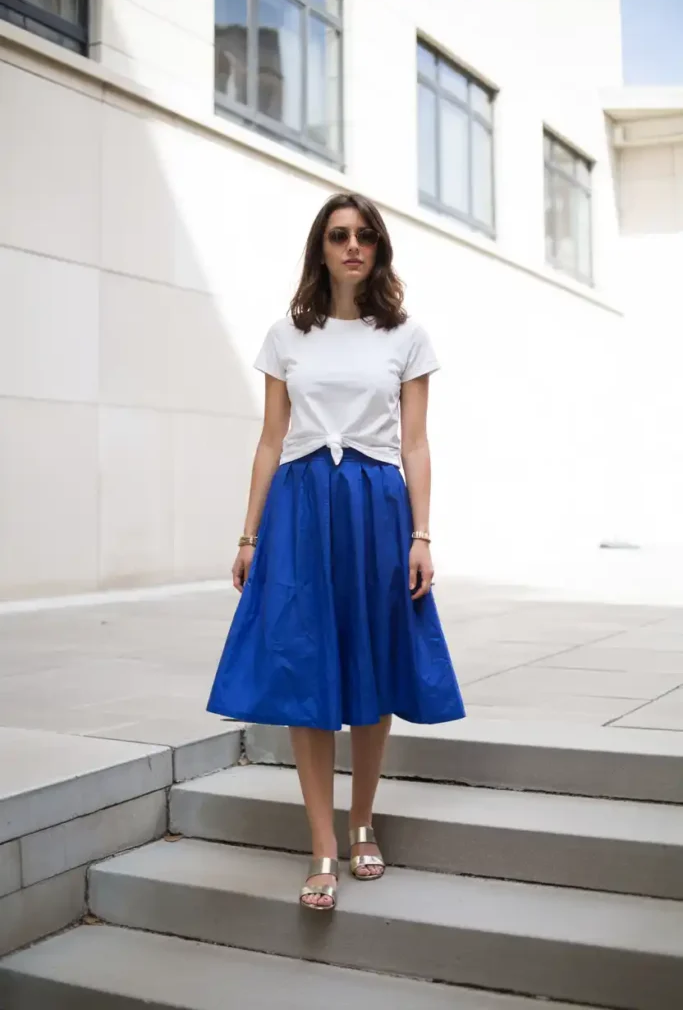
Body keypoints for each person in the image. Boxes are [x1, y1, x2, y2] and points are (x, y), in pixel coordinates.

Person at [207, 192, 465, 911]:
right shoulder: (287, 334)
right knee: (304, 663)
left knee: (373, 660)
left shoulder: (405, 335)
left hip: (377, 507)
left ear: (378, 249)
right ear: (319, 249)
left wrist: (420, 533)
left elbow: (414, 443)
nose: (352, 246)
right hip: (299, 506)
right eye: (338, 235)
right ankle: (321, 840)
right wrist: (248, 535)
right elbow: (268, 439)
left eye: (364, 236)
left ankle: (361, 823)